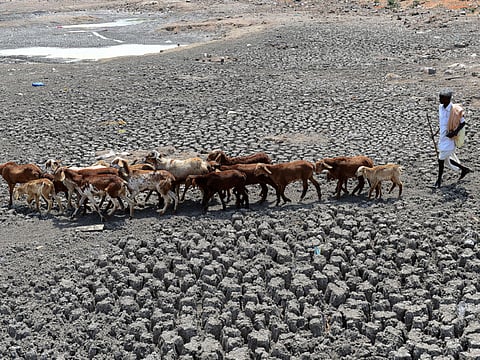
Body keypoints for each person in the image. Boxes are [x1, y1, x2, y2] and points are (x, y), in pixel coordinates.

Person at [433, 88, 472, 188]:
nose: (439, 100)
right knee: (446, 159)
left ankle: (438, 181)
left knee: (441, 159)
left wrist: (454, 132)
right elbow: (442, 123)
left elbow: (463, 123)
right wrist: (436, 133)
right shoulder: (440, 107)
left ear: (448, 99)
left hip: (450, 138)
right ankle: (463, 169)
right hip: (442, 137)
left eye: (442, 98)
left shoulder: (455, 110)